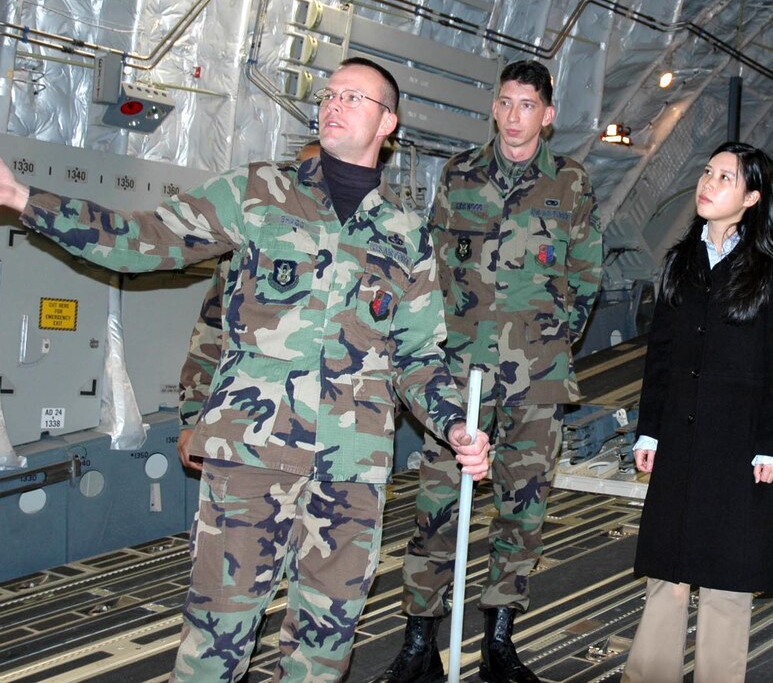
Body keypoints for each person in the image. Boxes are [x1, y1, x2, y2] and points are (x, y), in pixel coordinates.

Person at [0, 57, 491, 683]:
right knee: (217, 638)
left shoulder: (407, 233)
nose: (334, 104)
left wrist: (454, 426)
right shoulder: (257, 192)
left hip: (352, 469)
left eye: (354, 97)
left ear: (387, 122)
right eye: (329, 94)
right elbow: (143, 239)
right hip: (253, 455)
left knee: (325, 645)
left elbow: (419, 356)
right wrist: (23, 199)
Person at [373, 59, 603, 683]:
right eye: (504, 103)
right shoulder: (460, 174)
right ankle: (420, 644)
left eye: (526, 105)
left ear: (547, 115)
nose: (512, 116)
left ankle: (499, 642)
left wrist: (554, 338)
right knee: (436, 507)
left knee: (522, 510)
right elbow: (433, 264)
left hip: (537, 375)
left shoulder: (571, 182)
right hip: (459, 374)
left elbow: (586, 272)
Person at [620, 142, 773, 683]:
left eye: (726, 177)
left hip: (739, 440)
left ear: (752, 197)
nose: (708, 183)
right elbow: (661, 354)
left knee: (728, 577)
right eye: (707, 172)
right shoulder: (681, 259)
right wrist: (649, 431)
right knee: (668, 571)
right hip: (680, 433)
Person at [176, 138, 322, 472]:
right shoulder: (247, 250)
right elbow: (211, 335)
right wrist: (192, 417)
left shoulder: (363, 252)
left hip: (332, 442)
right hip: (247, 429)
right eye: (299, 169)